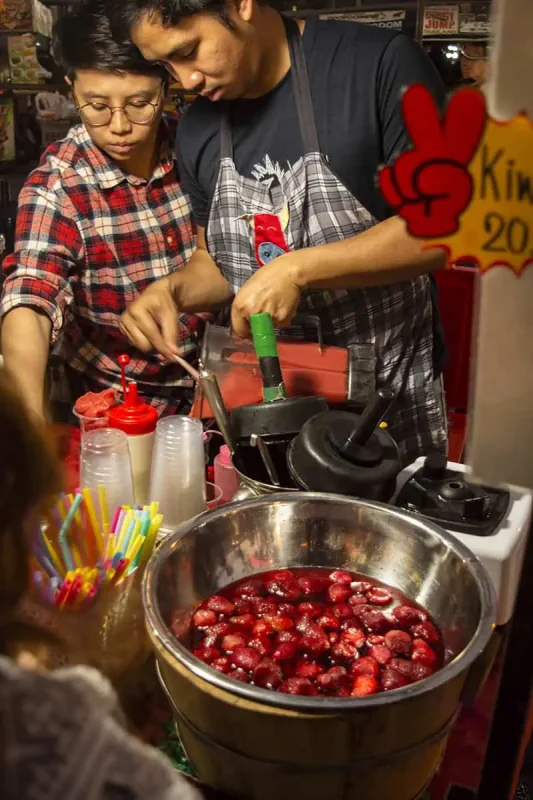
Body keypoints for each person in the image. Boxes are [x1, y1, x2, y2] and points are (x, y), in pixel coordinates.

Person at [110, 0, 449, 467]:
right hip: (267, 419)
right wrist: (173, 291)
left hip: (380, 411)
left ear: (241, 5)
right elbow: (217, 261)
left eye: (189, 51)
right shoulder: (199, 126)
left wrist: (298, 270)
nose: (185, 80)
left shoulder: (375, 65)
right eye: (166, 64)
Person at [0, 0, 200, 424]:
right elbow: (32, 296)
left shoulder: (198, 149)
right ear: (72, 88)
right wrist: (25, 430)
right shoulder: (58, 186)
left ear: (164, 86)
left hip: (216, 387)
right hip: (120, 405)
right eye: (96, 105)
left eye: (140, 103)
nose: (120, 126)